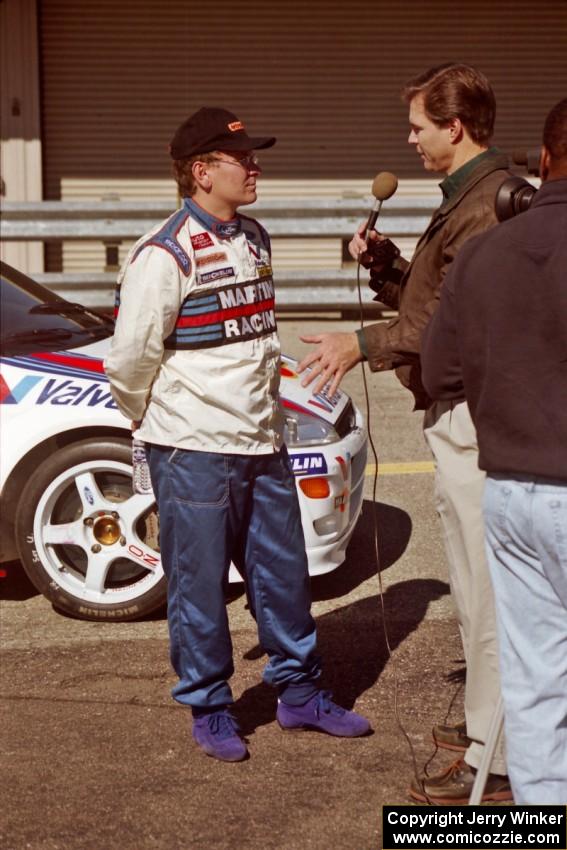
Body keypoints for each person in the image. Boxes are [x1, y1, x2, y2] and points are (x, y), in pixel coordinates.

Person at [104, 107, 370, 763]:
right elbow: (129, 358)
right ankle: (210, 706)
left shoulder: (254, 236)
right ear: (201, 172)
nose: (255, 166)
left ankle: (299, 694)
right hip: (192, 450)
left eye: (254, 156)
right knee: (198, 589)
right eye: (240, 159)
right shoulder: (161, 254)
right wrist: (150, 420)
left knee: (283, 578)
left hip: (262, 444)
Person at [298, 64, 514, 803]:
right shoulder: (465, 199)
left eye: (419, 125)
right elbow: (432, 302)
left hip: (472, 418)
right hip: (451, 411)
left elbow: (442, 323)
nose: (410, 138)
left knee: (488, 593)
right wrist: (389, 266)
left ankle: (498, 757)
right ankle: (492, 724)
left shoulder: (484, 203)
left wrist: (359, 343)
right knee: (472, 584)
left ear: (454, 127)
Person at [421, 98, 567, 804]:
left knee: (536, 680)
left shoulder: (480, 251)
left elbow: (437, 373)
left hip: (509, 494)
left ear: (542, 162)